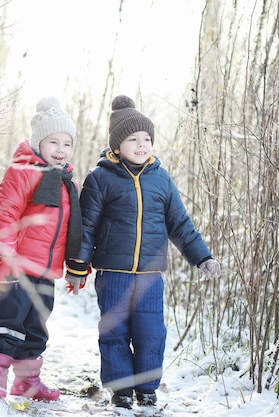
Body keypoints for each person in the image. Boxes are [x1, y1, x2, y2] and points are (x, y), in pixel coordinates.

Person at [64, 95, 221, 409]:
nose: (141, 144)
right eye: (133, 138)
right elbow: (86, 228)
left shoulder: (161, 179)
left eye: (147, 138)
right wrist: (78, 268)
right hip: (113, 275)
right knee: (115, 333)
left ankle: (146, 388)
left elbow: (180, 223)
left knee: (151, 332)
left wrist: (202, 256)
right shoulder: (100, 179)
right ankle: (121, 389)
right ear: (117, 145)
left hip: (150, 275)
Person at [0, 96, 84, 401]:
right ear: (39, 142)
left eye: (67, 144)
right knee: (7, 323)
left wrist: (76, 267)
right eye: (54, 142)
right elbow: (5, 211)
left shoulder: (68, 183)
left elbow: (71, 229)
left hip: (45, 271)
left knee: (35, 328)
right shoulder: (24, 170)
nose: (61, 149)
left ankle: (26, 382)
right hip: (17, 266)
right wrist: (5, 256)